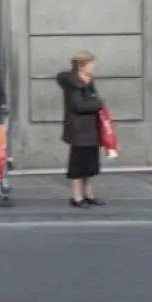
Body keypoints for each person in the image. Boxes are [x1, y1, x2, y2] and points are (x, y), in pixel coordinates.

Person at [56, 51, 106, 208]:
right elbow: (80, 106)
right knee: (78, 163)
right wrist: (98, 104)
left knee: (90, 163)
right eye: (91, 64)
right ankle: (77, 196)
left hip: (90, 128)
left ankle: (88, 193)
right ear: (81, 66)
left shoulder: (88, 81)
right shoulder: (74, 84)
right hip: (79, 129)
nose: (94, 67)